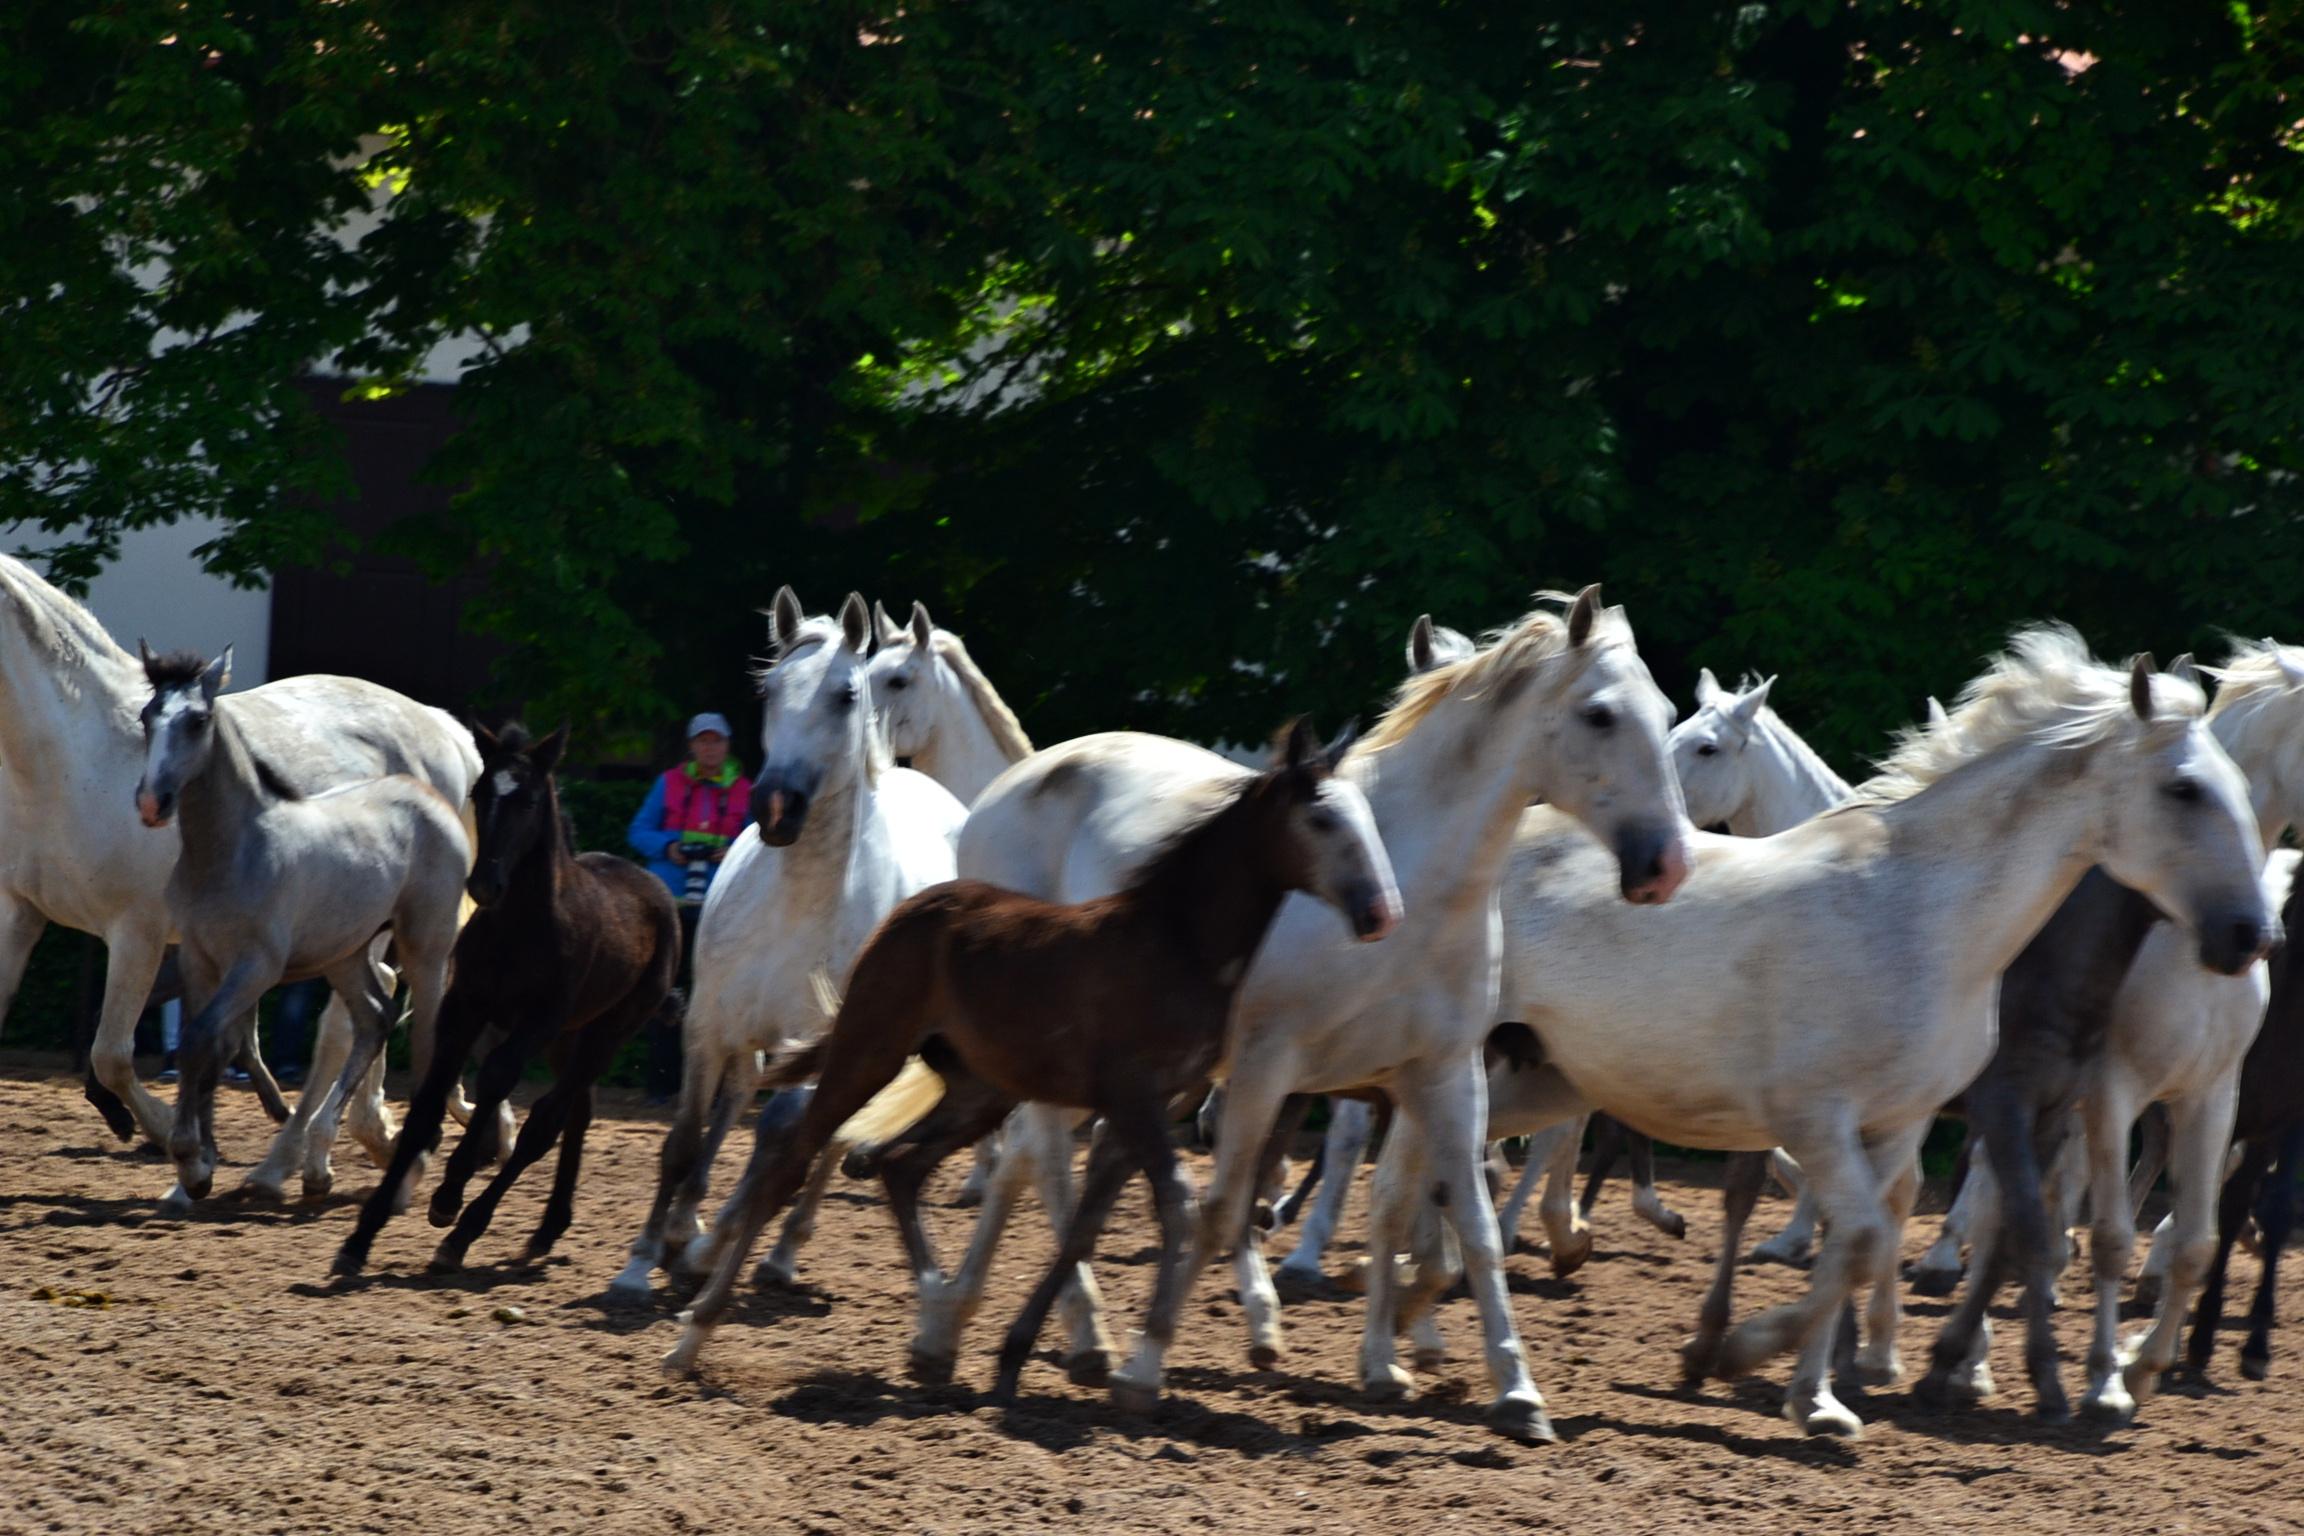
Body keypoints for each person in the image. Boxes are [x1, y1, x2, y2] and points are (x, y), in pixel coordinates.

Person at [628, 712, 753, 1101]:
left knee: (718, 997)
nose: (709, 747)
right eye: (703, 741)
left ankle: (714, 1088)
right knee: (663, 995)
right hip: (670, 907)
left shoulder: (747, 790)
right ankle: (661, 1086)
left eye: (716, 740)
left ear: (727, 745)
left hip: (722, 909)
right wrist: (669, 847)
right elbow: (638, 831)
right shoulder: (668, 784)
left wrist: (732, 851)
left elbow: (762, 840)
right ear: (692, 745)